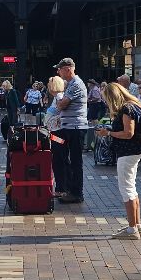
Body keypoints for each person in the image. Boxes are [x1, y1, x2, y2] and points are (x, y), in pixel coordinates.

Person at [97, 83, 141, 239]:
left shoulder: (127, 109)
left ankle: (132, 230)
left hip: (127, 152)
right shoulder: (136, 105)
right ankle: (136, 225)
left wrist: (109, 132)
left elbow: (128, 133)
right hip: (135, 151)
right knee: (132, 188)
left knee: (126, 190)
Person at [53, 58, 88, 204]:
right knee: (63, 157)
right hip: (68, 127)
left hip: (75, 128)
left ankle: (76, 193)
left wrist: (59, 101)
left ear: (67, 69)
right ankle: (68, 189)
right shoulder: (70, 84)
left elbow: (61, 105)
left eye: (59, 69)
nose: (58, 72)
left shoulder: (76, 84)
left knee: (75, 161)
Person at [84, 79, 105, 152]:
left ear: (91, 83)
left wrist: (90, 100)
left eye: (88, 83)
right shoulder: (93, 88)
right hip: (93, 106)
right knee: (92, 119)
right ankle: (93, 126)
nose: (88, 85)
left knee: (94, 120)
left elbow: (97, 98)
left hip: (95, 106)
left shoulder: (95, 89)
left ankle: (95, 128)